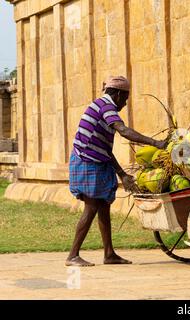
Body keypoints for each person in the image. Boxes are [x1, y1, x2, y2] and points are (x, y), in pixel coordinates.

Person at [66, 76, 167, 266]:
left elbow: (105, 149)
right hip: (87, 161)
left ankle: (109, 254)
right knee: (92, 206)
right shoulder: (106, 106)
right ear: (119, 94)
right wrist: (156, 143)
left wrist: (122, 174)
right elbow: (124, 131)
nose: (125, 103)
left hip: (97, 159)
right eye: (126, 98)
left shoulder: (102, 106)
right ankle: (73, 255)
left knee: (104, 205)